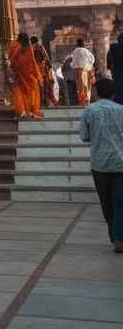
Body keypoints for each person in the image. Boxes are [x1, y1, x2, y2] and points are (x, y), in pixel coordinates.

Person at [78, 77, 123, 252]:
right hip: (120, 163)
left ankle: (115, 236)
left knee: (106, 202)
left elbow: (84, 136)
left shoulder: (90, 111)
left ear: (96, 92)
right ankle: (119, 237)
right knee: (120, 201)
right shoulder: (121, 110)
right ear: (113, 93)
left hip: (100, 165)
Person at [9, 31, 42, 120]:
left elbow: (12, 61)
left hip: (19, 74)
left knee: (19, 92)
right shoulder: (29, 47)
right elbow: (33, 62)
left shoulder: (14, 47)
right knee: (31, 91)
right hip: (29, 75)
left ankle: (22, 111)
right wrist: (37, 75)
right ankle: (30, 110)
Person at [71, 38, 96, 105]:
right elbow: (92, 60)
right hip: (87, 69)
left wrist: (73, 66)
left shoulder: (76, 51)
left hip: (79, 70)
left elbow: (73, 61)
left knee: (80, 86)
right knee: (87, 85)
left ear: (77, 43)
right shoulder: (87, 51)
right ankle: (87, 100)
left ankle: (82, 100)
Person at [107, 32, 123, 104]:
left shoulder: (113, 48)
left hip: (117, 72)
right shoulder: (114, 48)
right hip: (117, 72)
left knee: (119, 88)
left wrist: (111, 68)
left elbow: (109, 63)